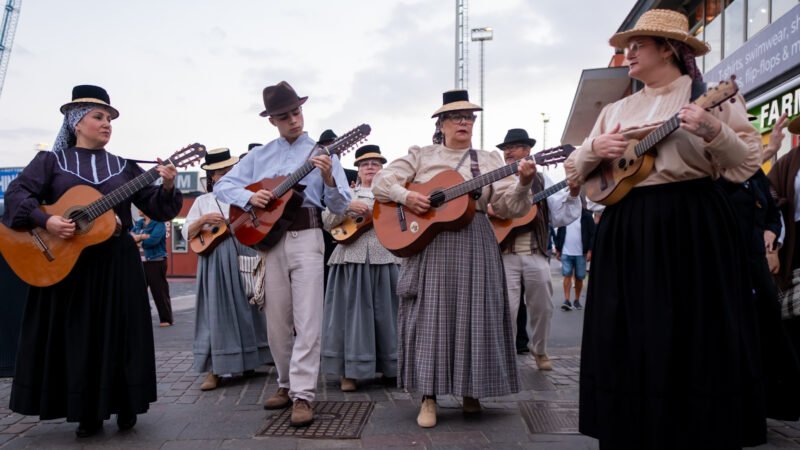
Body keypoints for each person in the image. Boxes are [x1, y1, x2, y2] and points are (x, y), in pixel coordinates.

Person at [563, 10, 765, 448]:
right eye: (627, 45)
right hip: (626, 223)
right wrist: (594, 149)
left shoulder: (712, 96)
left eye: (639, 45)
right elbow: (577, 176)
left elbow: (747, 162)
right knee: (628, 329)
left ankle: (696, 427)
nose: (628, 52)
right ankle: (629, 427)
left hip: (692, 219)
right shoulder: (617, 109)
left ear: (669, 48)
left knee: (696, 325)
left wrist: (713, 130)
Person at [2, 85, 182, 437]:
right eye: (98, 117)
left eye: (110, 118)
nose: (106, 124)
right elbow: (17, 195)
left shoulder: (125, 167)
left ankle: (128, 403)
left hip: (118, 260)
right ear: (76, 123)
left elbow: (157, 208)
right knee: (81, 335)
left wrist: (169, 187)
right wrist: (47, 220)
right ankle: (87, 410)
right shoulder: (51, 162)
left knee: (123, 331)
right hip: (71, 263)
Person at [372, 89, 536, 428]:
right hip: (430, 243)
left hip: (476, 237)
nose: (464, 122)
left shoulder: (489, 160)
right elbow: (382, 182)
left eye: (469, 117)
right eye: (456, 117)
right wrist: (408, 196)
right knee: (431, 316)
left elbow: (508, 208)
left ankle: (470, 389)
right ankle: (428, 396)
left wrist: (523, 183)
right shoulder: (421, 154)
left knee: (476, 314)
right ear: (441, 123)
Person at [213, 81, 351, 427]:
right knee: (276, 322)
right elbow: (222, 185)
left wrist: (330, 181)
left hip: (307, 235)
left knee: (308, 320)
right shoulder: (259, 156)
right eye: (284, 116)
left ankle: (303, 395)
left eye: (297, 112)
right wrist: (250, 198)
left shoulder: (324, 153)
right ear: (272, 120)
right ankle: (286, 384)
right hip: (270, 240)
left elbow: (342, 205)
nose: (294, 120)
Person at [182, 147, 272, 392]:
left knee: (249, 305)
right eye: (223, 171)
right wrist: (202, 221)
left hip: (244, 251)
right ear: (212, 176)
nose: (230, 174)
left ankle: (250, 359)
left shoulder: (244, 195)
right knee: (217, 310)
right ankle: (215, 368)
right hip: (215, 258)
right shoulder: (203, 201)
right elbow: (186, 232)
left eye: (231, 170)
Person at [493, 128, 581, 371]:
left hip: (535, 252)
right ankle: (507, 355)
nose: (508, 151)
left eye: (515, 146)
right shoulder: (496, 177)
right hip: (504, 253)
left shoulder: (542, 180)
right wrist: (493, 211)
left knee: (543, 307)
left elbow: (561, 216)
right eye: (505, 148)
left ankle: (539, 350)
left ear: (528, 151)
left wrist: (573, 193)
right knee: (507, 309)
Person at [321, 145, 401, 392]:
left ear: (382, 169)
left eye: (376, 164)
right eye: (365, 164)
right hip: (350, 258)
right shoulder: (347, 194)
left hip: (385, 256)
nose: (370, 168)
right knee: (350, 316)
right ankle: (349, 372)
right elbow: (327, 222)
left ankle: (392, 367)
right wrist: (347, 207)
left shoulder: (394, 196)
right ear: (357, 169)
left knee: (388, 314)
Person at [767, 114, 800, 371]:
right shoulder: (790, 161)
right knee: (792, 319)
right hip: (796, 242)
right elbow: (768, 193)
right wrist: (773, 244)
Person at [132, 211, 173, 327]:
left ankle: (166, 318)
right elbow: (131, 237)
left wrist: (138, 239)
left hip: (156, 261)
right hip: (140, 262)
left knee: (159, 291)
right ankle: (141, 318)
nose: (138, 210)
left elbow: (153, 240)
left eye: (140, 208)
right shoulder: (139, 223)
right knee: (138, 291)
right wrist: (142, 237)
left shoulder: (159, 224)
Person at [554, 204, 596, 311]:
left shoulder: (586, 216)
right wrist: (558, 249)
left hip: (581, 253)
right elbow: (560, 232)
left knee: (579, 277)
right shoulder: (565, 215)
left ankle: (576, 300)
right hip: (566, 251)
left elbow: (593, 234)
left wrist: (590, 250)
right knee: (567, 275)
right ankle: (566, 300)